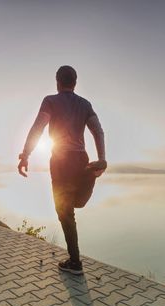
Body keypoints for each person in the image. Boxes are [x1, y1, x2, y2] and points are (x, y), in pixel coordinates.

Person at [18, 65, 106, 275]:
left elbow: (38, 127)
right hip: (81, 158)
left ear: (57, 81)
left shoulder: (51, 101)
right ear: (75, 83)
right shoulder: (85, 104)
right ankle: (88, 174)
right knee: (74, 204)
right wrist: (102, 158)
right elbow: (98, 130)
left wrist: (25, 154)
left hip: (60, 161)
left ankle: (75, 263)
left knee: (64, 211)